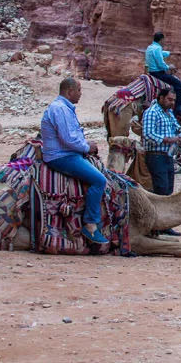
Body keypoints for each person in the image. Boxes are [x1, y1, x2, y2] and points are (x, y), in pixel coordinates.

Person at [41, 77, 109, 248]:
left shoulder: (63, 108)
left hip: (67, 153)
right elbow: (68, 139)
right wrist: (87, 147)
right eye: (79, 90)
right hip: (62, 156)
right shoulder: (60, 109)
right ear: (69, 91)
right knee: (99, 180)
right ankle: (90, 224)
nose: (80, 94)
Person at [141, 89, 181, 214]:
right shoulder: (152, 112)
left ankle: (163, 218)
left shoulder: (169, 112)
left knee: (168, 189)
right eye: (169, 99)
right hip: (156, 156)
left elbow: (176, 127)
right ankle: (156, 218)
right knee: (161, 189)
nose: (172, 103)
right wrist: (168, 139)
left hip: (168, 156)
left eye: (173, 100)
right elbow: (147, 134)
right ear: (161, 98)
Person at [145, 31, 181, 117]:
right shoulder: (157, 48)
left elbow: (160, 54)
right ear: (161, 40)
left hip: (151, 72)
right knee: (179, 85)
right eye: (164, 40)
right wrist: (169, 68)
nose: (164, 42)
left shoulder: (150, 47)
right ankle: (178, 108)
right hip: (158, 73)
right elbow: (160, 63)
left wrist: (172, 53)